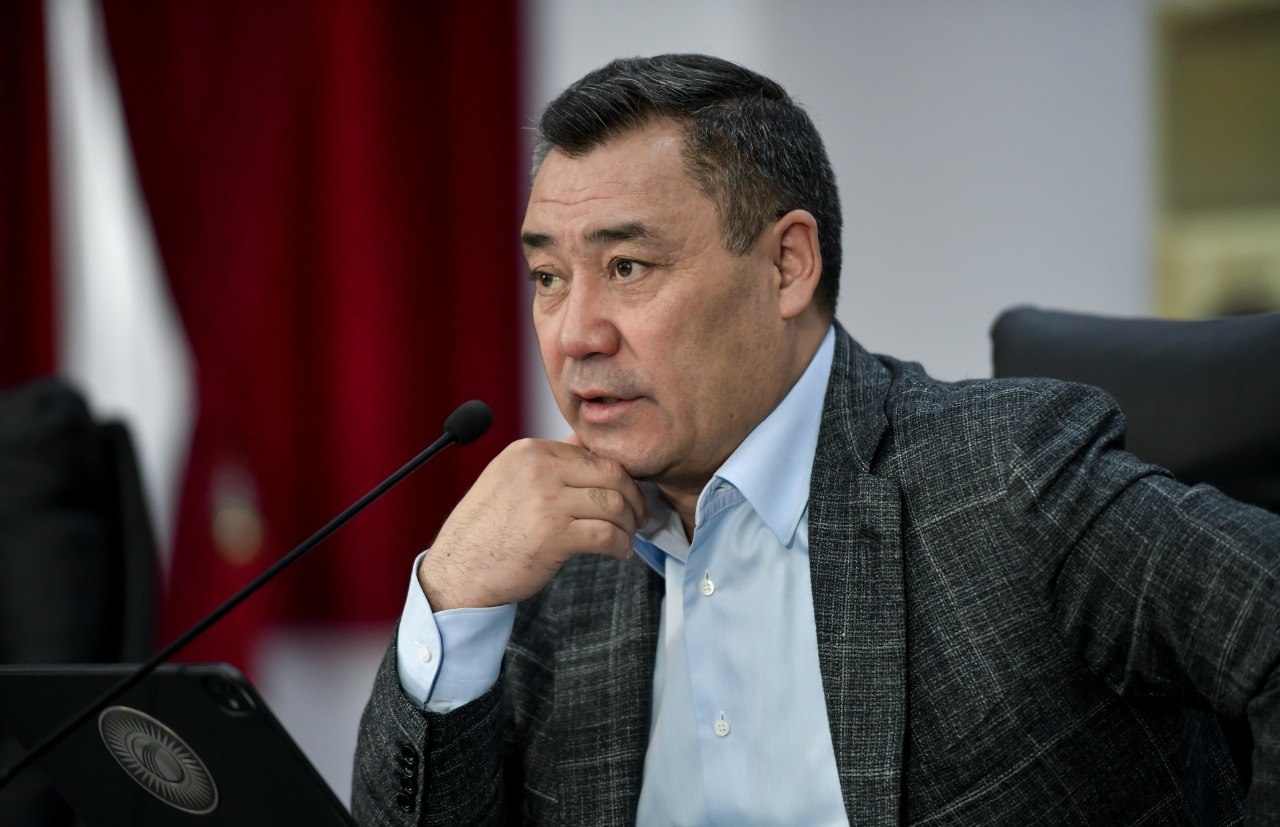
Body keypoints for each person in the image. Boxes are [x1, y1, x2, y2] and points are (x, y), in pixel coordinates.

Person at [352, 54, 1279, 825]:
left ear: (788, 265)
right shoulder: (553, 569)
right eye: (549, 278)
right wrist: (454, 603)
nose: (575, 334)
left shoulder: (1007, 478)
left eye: (627, 266)